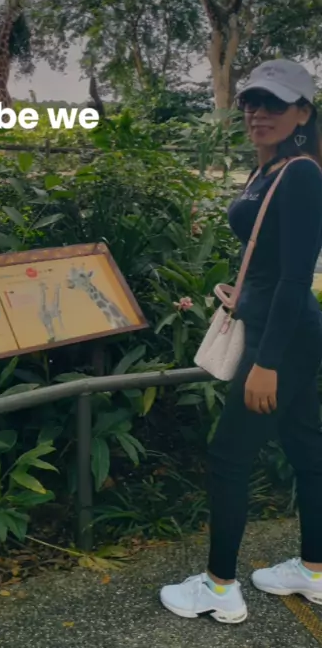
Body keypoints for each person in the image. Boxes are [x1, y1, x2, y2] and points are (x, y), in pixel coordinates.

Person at [159, 59, 322, 624]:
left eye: (274, 103)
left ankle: (219, 587)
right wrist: (244, 294)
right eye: (252, 101)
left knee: (230, 456)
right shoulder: (270, 168)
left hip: (283, 338)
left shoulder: (300, 174)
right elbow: (269, 261)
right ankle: (315, 570)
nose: (257, 112)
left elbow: (295, 278)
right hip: (279, 325)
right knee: (307, 449)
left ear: (303, 113)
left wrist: (267, 363)